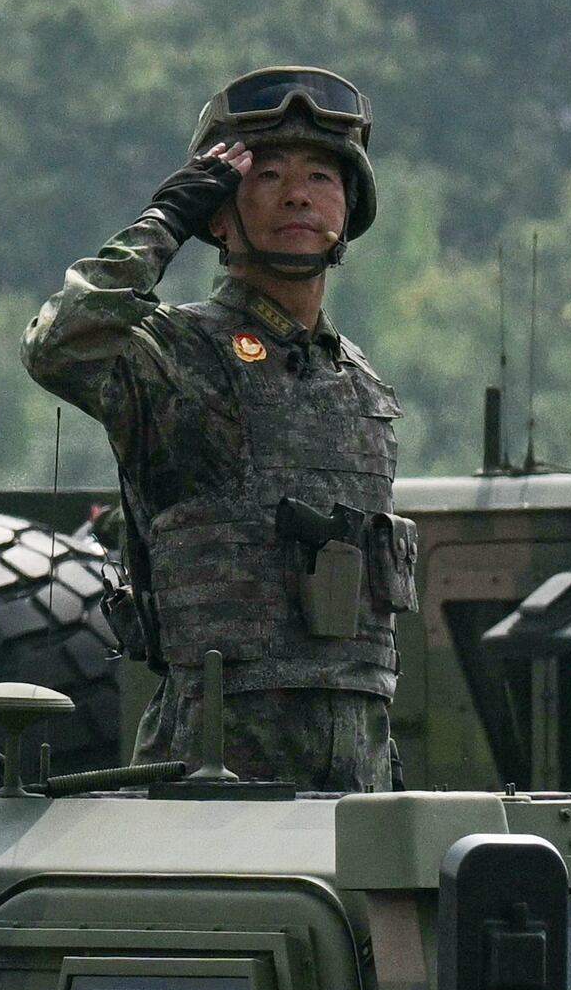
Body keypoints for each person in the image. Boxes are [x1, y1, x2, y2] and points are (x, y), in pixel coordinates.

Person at [22, 67, 413, 791]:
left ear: (348, 211)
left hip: (356, 782)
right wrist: (164, 221)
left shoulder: (363, 387)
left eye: (322, 176)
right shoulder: (176, 354)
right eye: (268, 176)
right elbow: (58, 343)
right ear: (221, 217)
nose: (299, 193)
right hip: (209, 774)